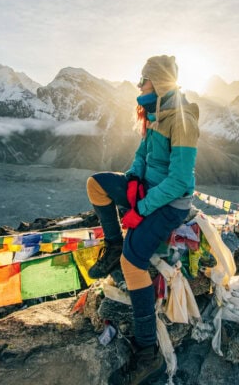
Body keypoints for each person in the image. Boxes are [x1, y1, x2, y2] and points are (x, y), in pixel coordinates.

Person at [85, 55, 199, 385]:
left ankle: (148, 354)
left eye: (143, 79)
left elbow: (179, 181)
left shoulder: (182, 118)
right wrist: (133, 180)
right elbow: (141, 158)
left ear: (159, 82)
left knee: (133, 262)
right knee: (97, 184)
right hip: (149, 191)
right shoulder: (153, 114)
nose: (139, 85)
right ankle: (112, 244)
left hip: (171, 202)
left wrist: (141, 208)